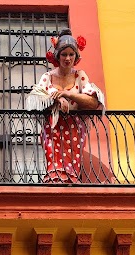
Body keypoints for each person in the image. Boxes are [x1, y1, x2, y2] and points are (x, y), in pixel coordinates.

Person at [26, 28, 105, 183]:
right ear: (57, 56)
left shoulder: (79, 76)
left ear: (76, 56)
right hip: (52, 129)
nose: (67, 58)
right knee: (55, 169)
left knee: (70, 173)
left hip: (73, 130)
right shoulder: (47, 77)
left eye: (71, 54)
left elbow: (93, 102)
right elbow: (34, 100)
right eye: (64, 54)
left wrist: (68, 95)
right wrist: (55, 101)